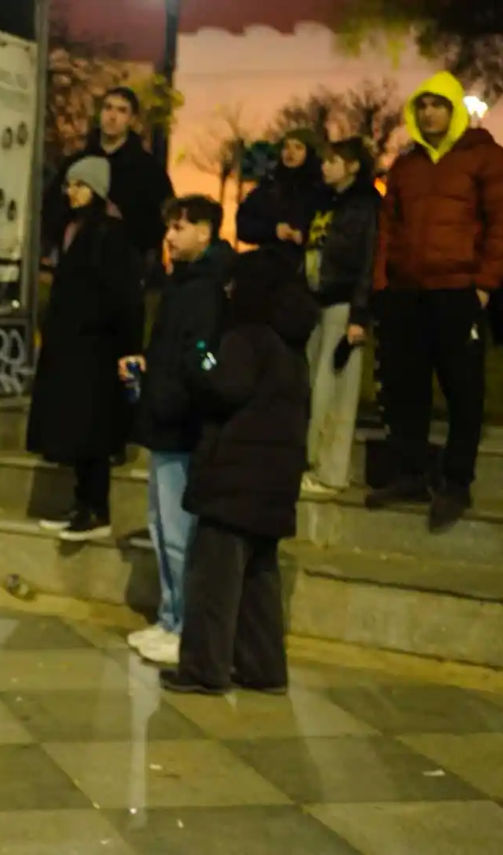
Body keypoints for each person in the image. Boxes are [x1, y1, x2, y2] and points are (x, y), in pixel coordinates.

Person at [161, 249, 319, 695]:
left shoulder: (246, 338)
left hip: (235, 480)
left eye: (235, 284)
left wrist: (199, 357)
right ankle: (263, 668)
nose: (228, 291)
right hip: (272, 484)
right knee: (259, 581)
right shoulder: (291, 345)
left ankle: (203, 669)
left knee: (214, 580)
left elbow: (222, 385)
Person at [367, 71, 503, 532]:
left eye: (438, 105)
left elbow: (501, 224)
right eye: (422, 105)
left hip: (459, 290)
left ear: (454, 110)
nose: (428, 113)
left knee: (463, 388)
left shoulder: (485, 158)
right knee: (409, 387)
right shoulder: (406, 165)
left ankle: (457, 480)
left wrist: (484, 284)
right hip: (408, 293)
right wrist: (383, 283)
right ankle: (411, 473)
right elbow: (388, 228)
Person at [119, 195, 233, 666]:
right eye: (169, 227)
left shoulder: (204, 289)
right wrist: (151, 367)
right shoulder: (182, 283)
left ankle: (185, 625)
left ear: (205, 232)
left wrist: (185, 383)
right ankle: (170, 618)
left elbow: (205, 354)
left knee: (177, 533)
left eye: (181, 227)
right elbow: (179, 348)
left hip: (181, 427)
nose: (170, 236)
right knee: (161, 526)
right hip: (165, 419)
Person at [30, 157, 142, 541]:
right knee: (78, 430)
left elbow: (122, 297)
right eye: (69, 184)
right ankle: (83, 504)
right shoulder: (76, 229)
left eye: (80, 185)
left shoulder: (109, 234)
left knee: (91, 431)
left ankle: (96, 509)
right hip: (75, 346)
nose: (71, 192)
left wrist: (123, 347)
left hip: (95, 348)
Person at [302, 137, 381, 494]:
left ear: (352, 165)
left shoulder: (365, 206)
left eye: (334, 160)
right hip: (317, 301)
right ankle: (315, 463)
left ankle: (332, 473)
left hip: (344, 304)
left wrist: (360, 314)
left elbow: (369, 261)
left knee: (337, 390)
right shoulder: (324, 201)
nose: (324, 165)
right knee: (316, 388)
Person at [46, 87, 175, 267]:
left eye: (122, 110)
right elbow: (51, 208)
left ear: (132, 120)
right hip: (74, 267)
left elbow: (162, 219)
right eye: (108, 108)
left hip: (123, 269)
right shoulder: (75, 164)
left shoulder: (148, 171)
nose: (112, 116)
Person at [236, 128, 326, 264]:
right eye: (286, 147)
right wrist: (273, 231)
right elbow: (244, 225)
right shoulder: (269, 187)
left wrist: (306, 236)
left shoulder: (321, 189)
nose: (290, 153)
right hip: (270, 262)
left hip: (310, 265)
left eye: (298, 147)